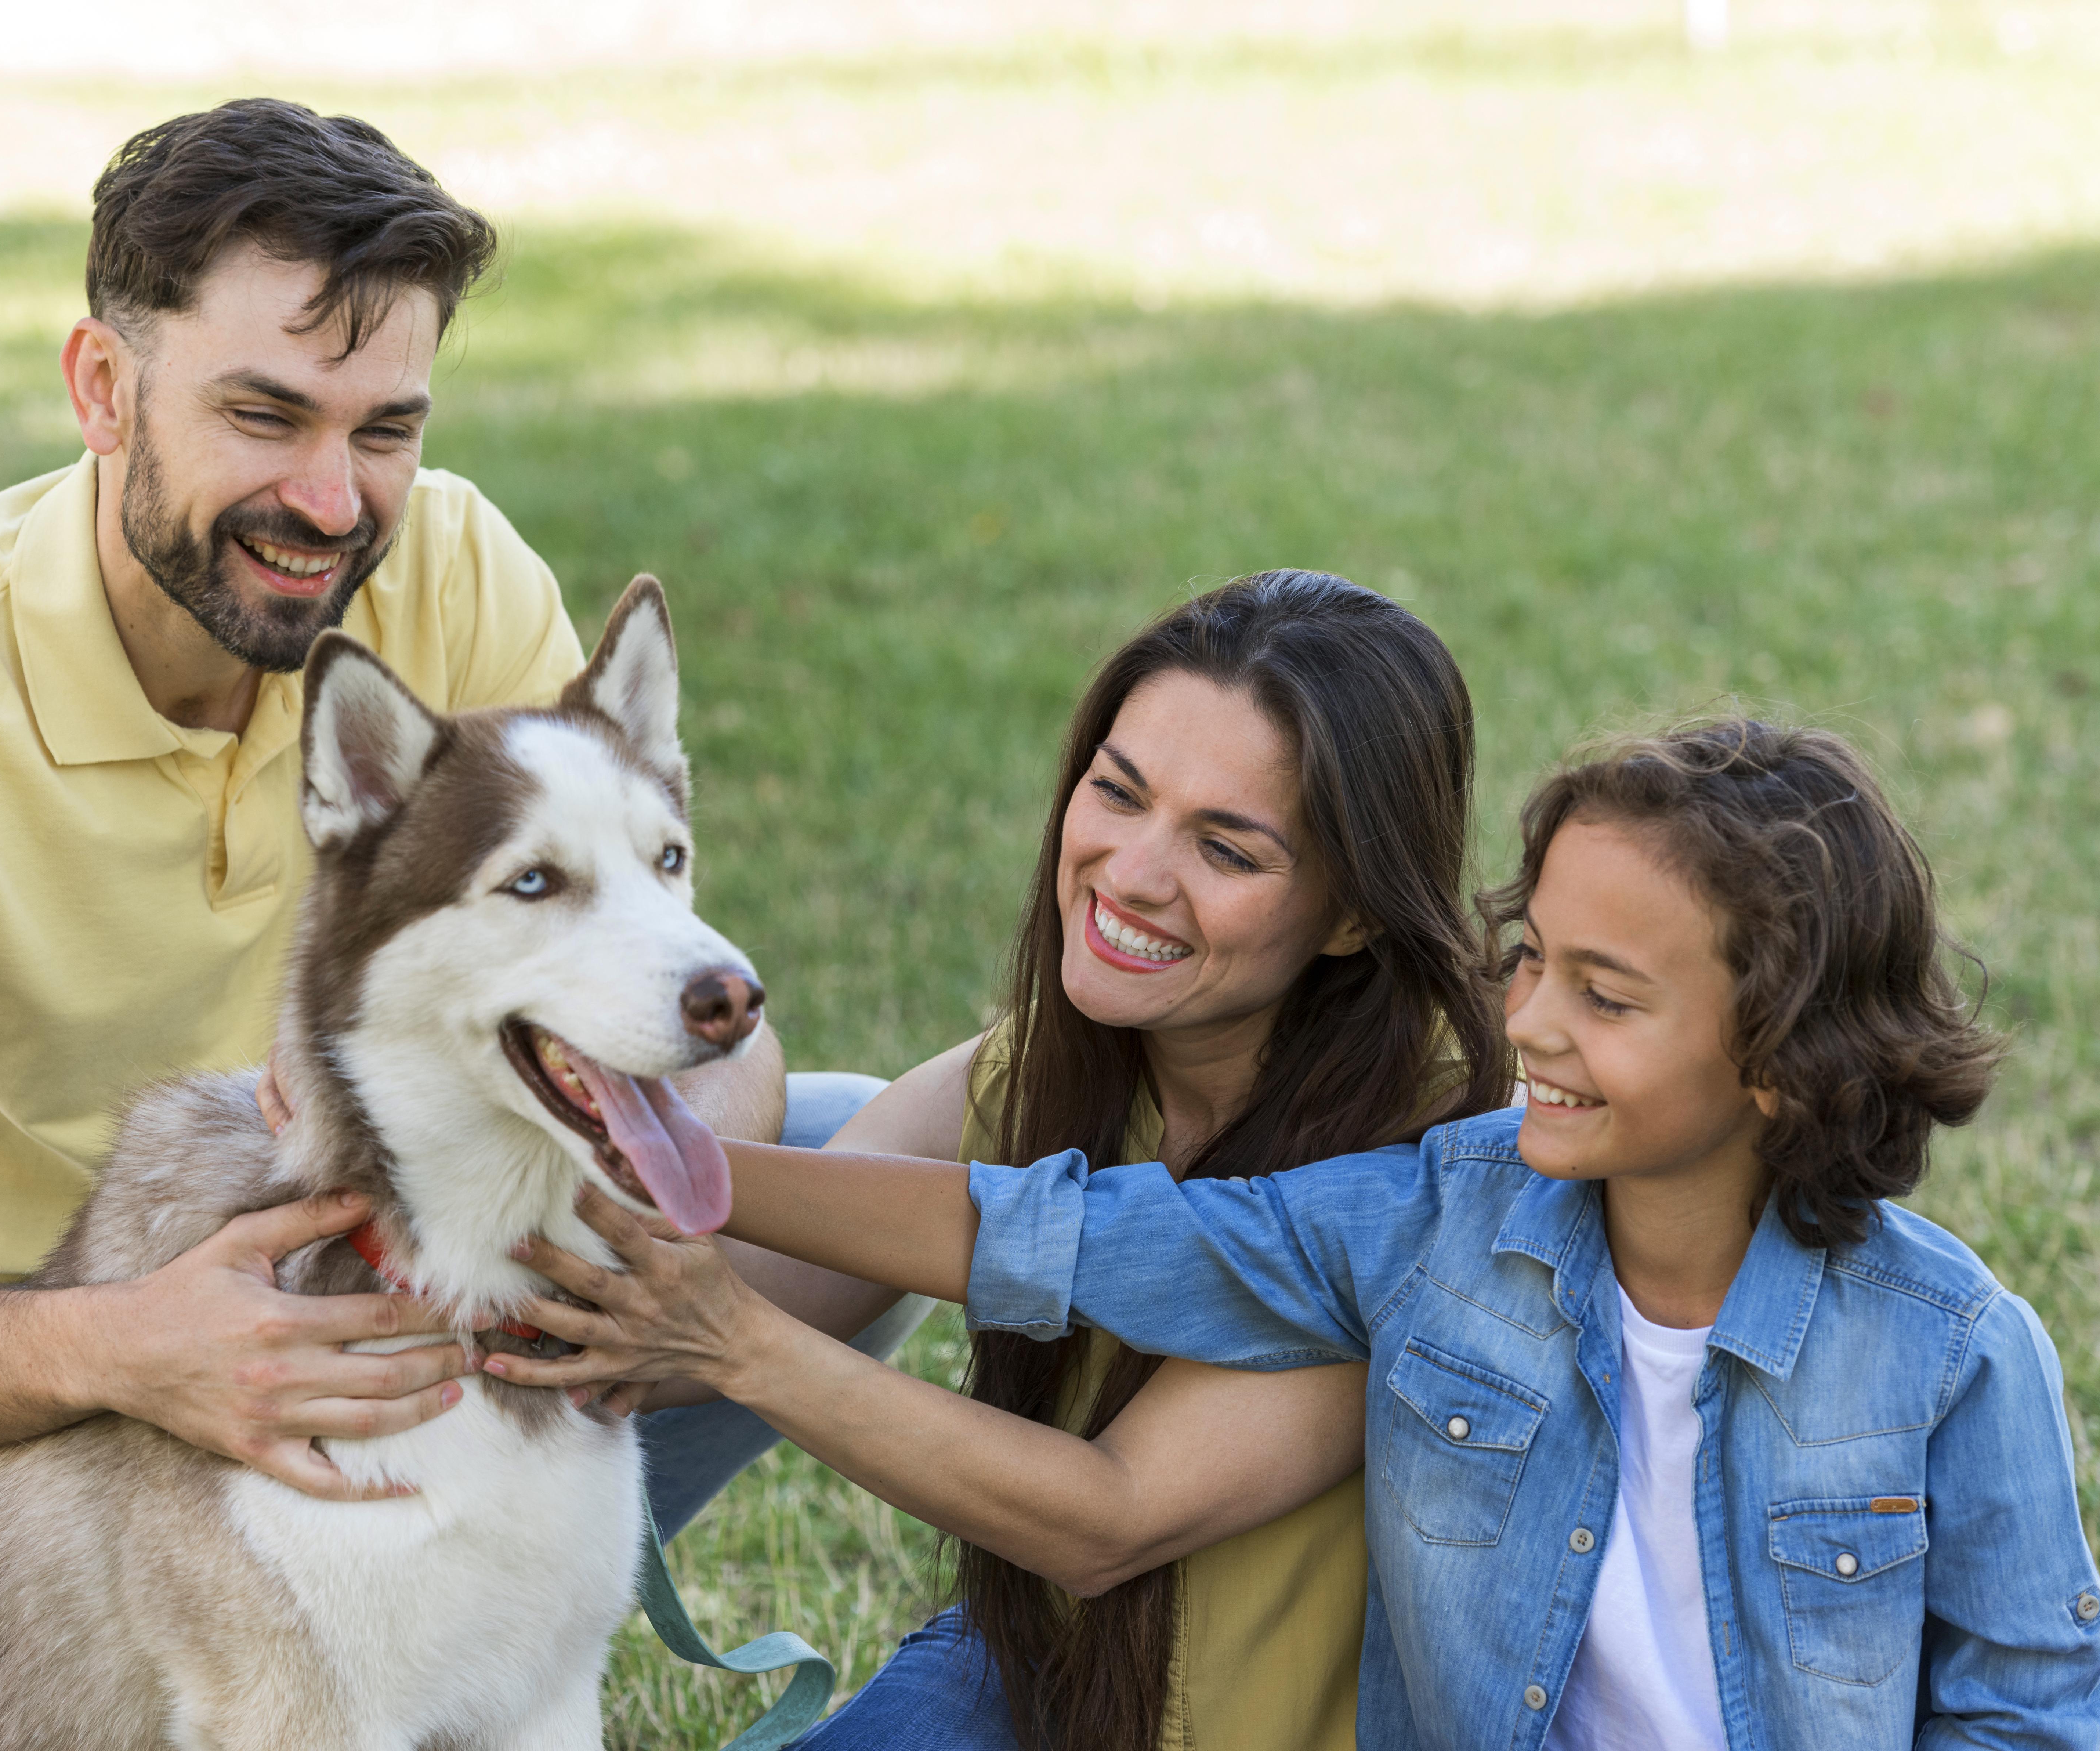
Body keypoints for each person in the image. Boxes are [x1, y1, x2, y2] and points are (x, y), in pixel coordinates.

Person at [0, 97, 909, 1609]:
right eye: (263, 415)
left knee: (863, 1151)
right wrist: (137, 1345)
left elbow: (660, 1005)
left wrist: (626, 1227)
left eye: (384, 429)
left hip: (395, 1269)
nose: (332, 504)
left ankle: (468, 1570)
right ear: (101, 387)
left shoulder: (455, 568)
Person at [502, 720, 2100, 1747]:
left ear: (1777, 1059)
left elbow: (2032, 1719)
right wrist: (655, 1162)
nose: (1528, 1017)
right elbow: (1079, 1242)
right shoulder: (1444, 1216)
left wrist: (731, 1321)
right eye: (1528, 954)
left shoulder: (1952, 1355)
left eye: (1604, 995)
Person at [495, 571, 1516, 1750]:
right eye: (1116, 792)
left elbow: (1109, 1519)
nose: (1129, 873)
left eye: (1226, 851)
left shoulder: (1430, 1167)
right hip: (1046, 1675)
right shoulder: (1048, 1064)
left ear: (1353, 914)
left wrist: (727, 1334)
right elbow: (742, 1285)